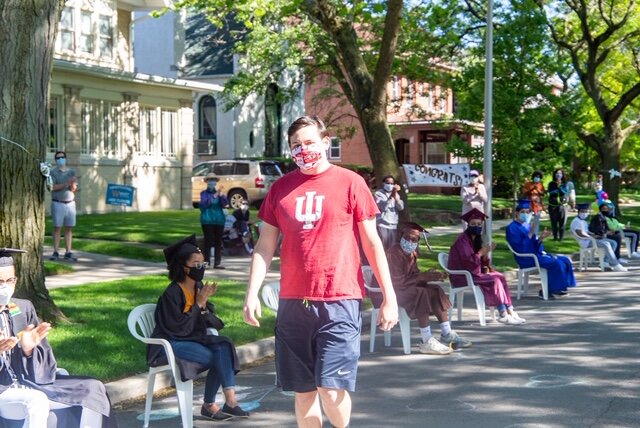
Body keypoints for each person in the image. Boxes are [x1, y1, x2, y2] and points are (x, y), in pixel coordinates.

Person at [243, 116, 399, 428]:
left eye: (310, 142)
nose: (303, 150)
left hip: (340, 300)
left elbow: (372, 243)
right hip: (293, 303)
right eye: (296, 145)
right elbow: (264, 246)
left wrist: (389, 297)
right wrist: (252, 293)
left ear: (326, 142)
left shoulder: (351, 182)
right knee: (303, 393)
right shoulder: (280, 189)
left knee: (331, 389)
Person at [0, 248, 116, 427]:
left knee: (93, 388)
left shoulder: (22, 308)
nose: (5, 287)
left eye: (10, 280)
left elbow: (44, 366)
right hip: (4, 389)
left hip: (28, 382)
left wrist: (29, 351)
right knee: (36, 400)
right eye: (0, 281)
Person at [148, 235, 249, 421]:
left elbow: (205, 321)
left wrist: (203, 306)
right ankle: (211, 405)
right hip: (169, 343)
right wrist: (199, 304)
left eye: (203, 263)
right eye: (196, 264)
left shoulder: (197, 286)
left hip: (189, 338)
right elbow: (178, 329)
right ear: (184, 267)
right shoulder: (172, 293)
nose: (201, 267)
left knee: (224, 345)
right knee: (218, 357)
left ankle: (229, 401)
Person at [387, 222, 472, 355]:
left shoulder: (412, 254)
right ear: (401, 236)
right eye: (407, 238)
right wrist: (421, 277)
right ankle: (426, 340)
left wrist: (431, 276)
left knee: (434, 290)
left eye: (414, 240)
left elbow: (414, 275)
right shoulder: (394, 253)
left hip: (405, 288)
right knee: (422, 293)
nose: (410, 242)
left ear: (418, 241)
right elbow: (398, 281)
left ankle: (447, 333)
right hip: (392, 291)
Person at [448, 209, 526, 325]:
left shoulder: (475, 239)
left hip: (472, 273)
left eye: (479, 224)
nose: (476, 226)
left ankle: (510, 310)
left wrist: (485, 254)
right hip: (461, 276)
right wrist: (481, 253)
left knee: (500, 276)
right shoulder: (462, 241)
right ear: (468, 225)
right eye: (473, 224)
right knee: (494, 280)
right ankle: (503, 313)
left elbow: (479, 262)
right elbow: (467, 262)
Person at [506, 200, 577, 299]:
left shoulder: (527, 225)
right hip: (526, 258)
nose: (525, 214)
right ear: (517, 213)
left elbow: (534, 243)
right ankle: (549, 291)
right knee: (556, 263)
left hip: (536, 254)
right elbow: (520, 247)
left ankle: (562, 287)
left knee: (564, 260)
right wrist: (531, 233)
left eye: (527, 212)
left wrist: (541, 238)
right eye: (523, 212)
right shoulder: (512, 228)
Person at [569, 203, 627, 272]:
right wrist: (592, 237)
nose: (584, 213)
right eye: (583, 211)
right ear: (578, 212)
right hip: (585, 242)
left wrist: (594, 235)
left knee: (613, 243)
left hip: (590, 239)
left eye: (586, 211)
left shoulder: (583, 221)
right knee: (606, 244)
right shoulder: (576, 221)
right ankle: (615, 264)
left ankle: (605, 262)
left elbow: (587, 232)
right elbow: (580, 234)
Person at [49, 150, 78, 262]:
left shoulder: (71, 172)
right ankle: (56, 251)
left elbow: (74, 189)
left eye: (62, 157)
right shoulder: (53, 172)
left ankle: (68, 252)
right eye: (58, 158)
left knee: (69, 228)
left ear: (65, 158)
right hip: (58, 203)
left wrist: (72, 184)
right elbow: (52, 187)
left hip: (70, 203)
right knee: (57, 228)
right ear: (56, 160)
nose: (60, 160)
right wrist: (66, 183)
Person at [200, 174, 228, 269]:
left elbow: (225, 204)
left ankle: (217, 263)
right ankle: (207, 262)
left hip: (219, 220)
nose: (212, 182)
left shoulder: (219, 194)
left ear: (216, 182)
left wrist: (222, 196)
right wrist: (215, 195)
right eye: (210, 180)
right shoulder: (204, 193)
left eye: (213, 180)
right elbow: (204, 204)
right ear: (207, 182)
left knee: (218, 242)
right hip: (207, 220)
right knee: (208, 241)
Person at [588, 200, 628, 265]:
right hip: (598, 237)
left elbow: (605, 228)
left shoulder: (604, 217)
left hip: (603, 234)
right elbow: (597, 230)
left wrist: (608, 231)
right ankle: (614, 259)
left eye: (607, 209)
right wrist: (606, 233)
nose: (606, 210)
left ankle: (610, 259)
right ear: (600, 210)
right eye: (603, 209)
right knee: (616, 238)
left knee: (616, 237)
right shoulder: (598, 218)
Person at [374, 175, 405, 249]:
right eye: (388, 183)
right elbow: (383, 207)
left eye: (392, 183)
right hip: (382, 224)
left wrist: (397, 199)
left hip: (393, 225)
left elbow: (401, 207)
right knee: (383, 247)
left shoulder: (396, 194)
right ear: (383, 183)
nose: (390, 185)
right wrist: (391, 197)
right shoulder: (378, 194)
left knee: (391, 248)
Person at [522, 170, 546, 236]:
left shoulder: (541, 185)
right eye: (536, 176)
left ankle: (535, 236)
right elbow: (524, 193)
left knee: (536, 222)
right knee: (527, 221)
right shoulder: (528, 184)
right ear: (533, 177)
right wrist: (532, 189)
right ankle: (525, 235)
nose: (537, 178)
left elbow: (543, 194)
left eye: (539, 177)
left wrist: (537, 189)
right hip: (529, 205)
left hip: (538, 206)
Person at [547, 168, 569, 241]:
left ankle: (561, 238)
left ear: (562, 175)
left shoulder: (565, 183)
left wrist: (559, 186)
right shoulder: (551, 183)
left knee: (562, 223)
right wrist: (557, 187)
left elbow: (565, 192)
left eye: (560, 173)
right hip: (553, 206)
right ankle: (555, 237)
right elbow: (551, 192)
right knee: (554, 222)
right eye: (557, 173)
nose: (558, 175)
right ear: (555, 175)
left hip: (563, 206)